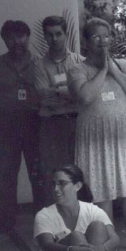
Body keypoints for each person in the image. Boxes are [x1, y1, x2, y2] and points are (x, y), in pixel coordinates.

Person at [68, 18, 126, 251]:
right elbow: (85, 96)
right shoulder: (77, 68)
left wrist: (113, 69)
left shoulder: (122, 64)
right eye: (96, 36)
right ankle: (109, 239)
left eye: (106, 35)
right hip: (96, 137)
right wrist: (103, 70)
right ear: (85, 42)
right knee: (103, 188)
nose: (102, 41)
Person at [0, 20, 45, 235]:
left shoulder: (40, 63)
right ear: (4, 40)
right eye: (10, 37)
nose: (16, 41)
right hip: (5, 129)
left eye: (21, 36)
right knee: (6, 177)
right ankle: (6, 223)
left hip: (35, 126)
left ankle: (43, 222)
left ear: (28, 37)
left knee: (39, 175)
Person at [34, 16, 84, 185]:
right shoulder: (39, 65)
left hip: (78, 123)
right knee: (54, 172)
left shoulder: (80, 62)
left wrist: (56, 91)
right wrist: (71, 92)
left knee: (80, 170)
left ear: (66, 34)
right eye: (49, 35)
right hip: (52, 125)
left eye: (58, 34)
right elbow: (43, 98)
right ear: (44, 36)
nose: (54, 39)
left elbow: (84, 95)